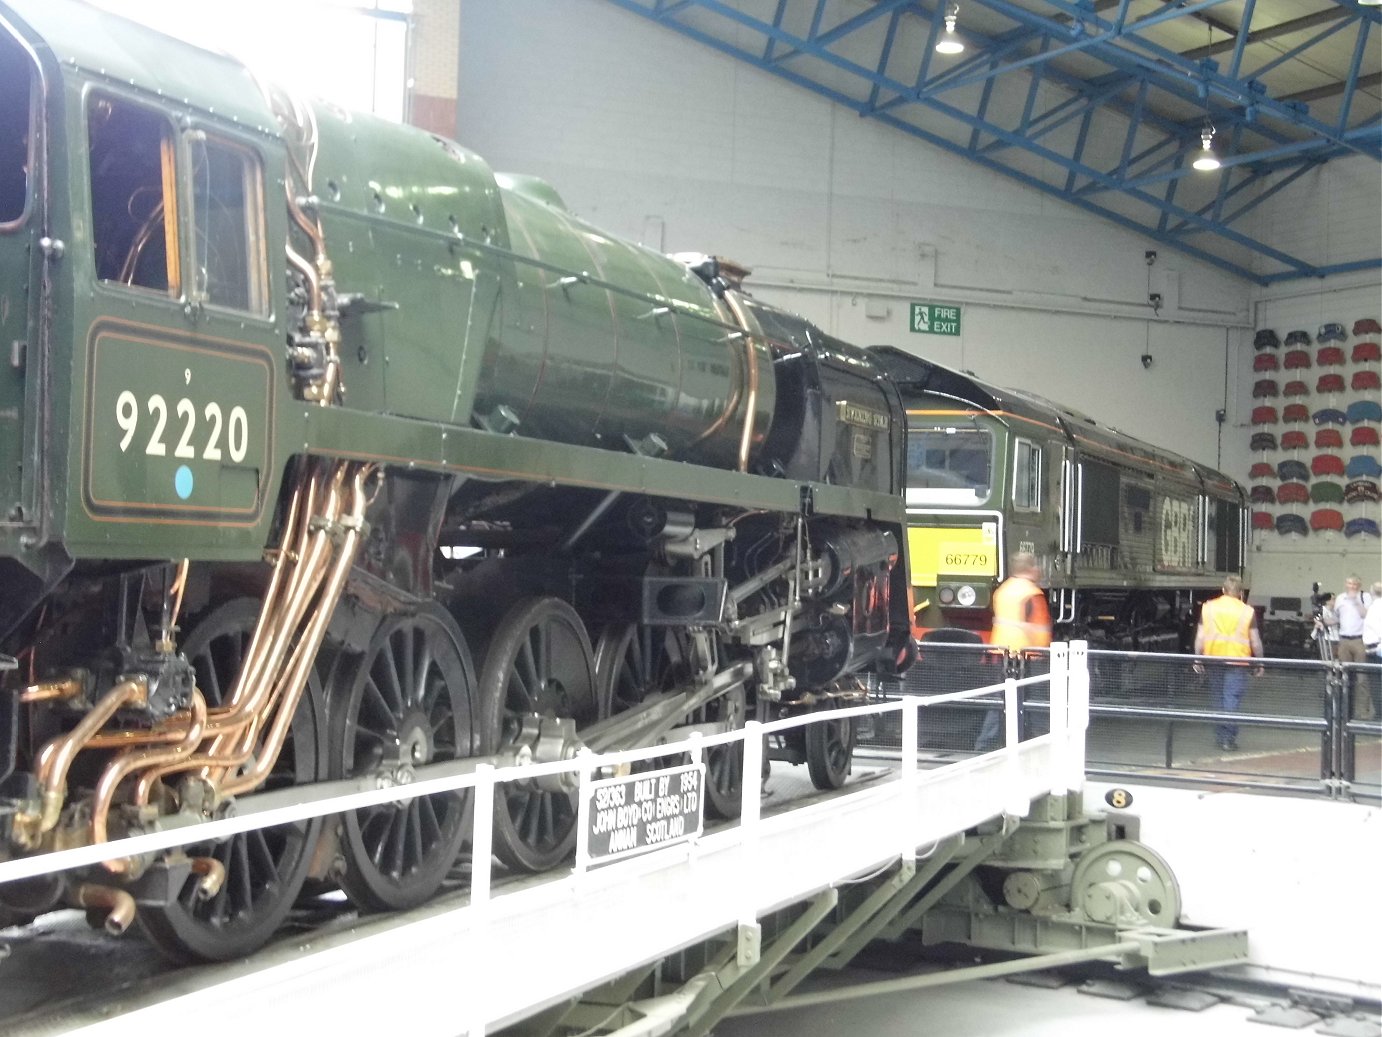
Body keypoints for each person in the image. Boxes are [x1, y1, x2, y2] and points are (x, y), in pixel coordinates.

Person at [974, 551, 1051, 752]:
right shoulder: (1032, 593)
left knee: (1002, 699)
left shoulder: (1003, 590)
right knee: (1034, 702)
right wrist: (1043, 652)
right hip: (1027, 654)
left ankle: (986, 743)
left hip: (1001, 651)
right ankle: (1039, 742)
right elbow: (1039, 627)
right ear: (1031, 568)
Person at [1193, 574, 1264, 752]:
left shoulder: (1208, 608)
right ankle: (1228, 739)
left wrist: (1197, 658)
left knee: (1218, 698)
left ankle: (1220, 736)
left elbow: (1200, 636)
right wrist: (1260, 663)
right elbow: (1255, 640)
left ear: (1223, 590)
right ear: (1240, 593)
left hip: (1213, 658)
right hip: (1237, 661)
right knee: (1231, 699)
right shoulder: (1247, 611)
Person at [1334, 576, 1375, 720]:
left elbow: (1366, 615)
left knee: (1361, 677)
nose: (1351, 586)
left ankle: (1364, 711)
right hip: (1344, 640)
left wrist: (1355, 600)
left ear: (1359, 585)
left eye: (1354, 584)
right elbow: (1337, 617)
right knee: (1344, 675)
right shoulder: (1340, 598)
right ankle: (1345, 708)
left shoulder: (1365, 597)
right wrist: (1324, 622)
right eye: (1349, 583)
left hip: (1359, 640)